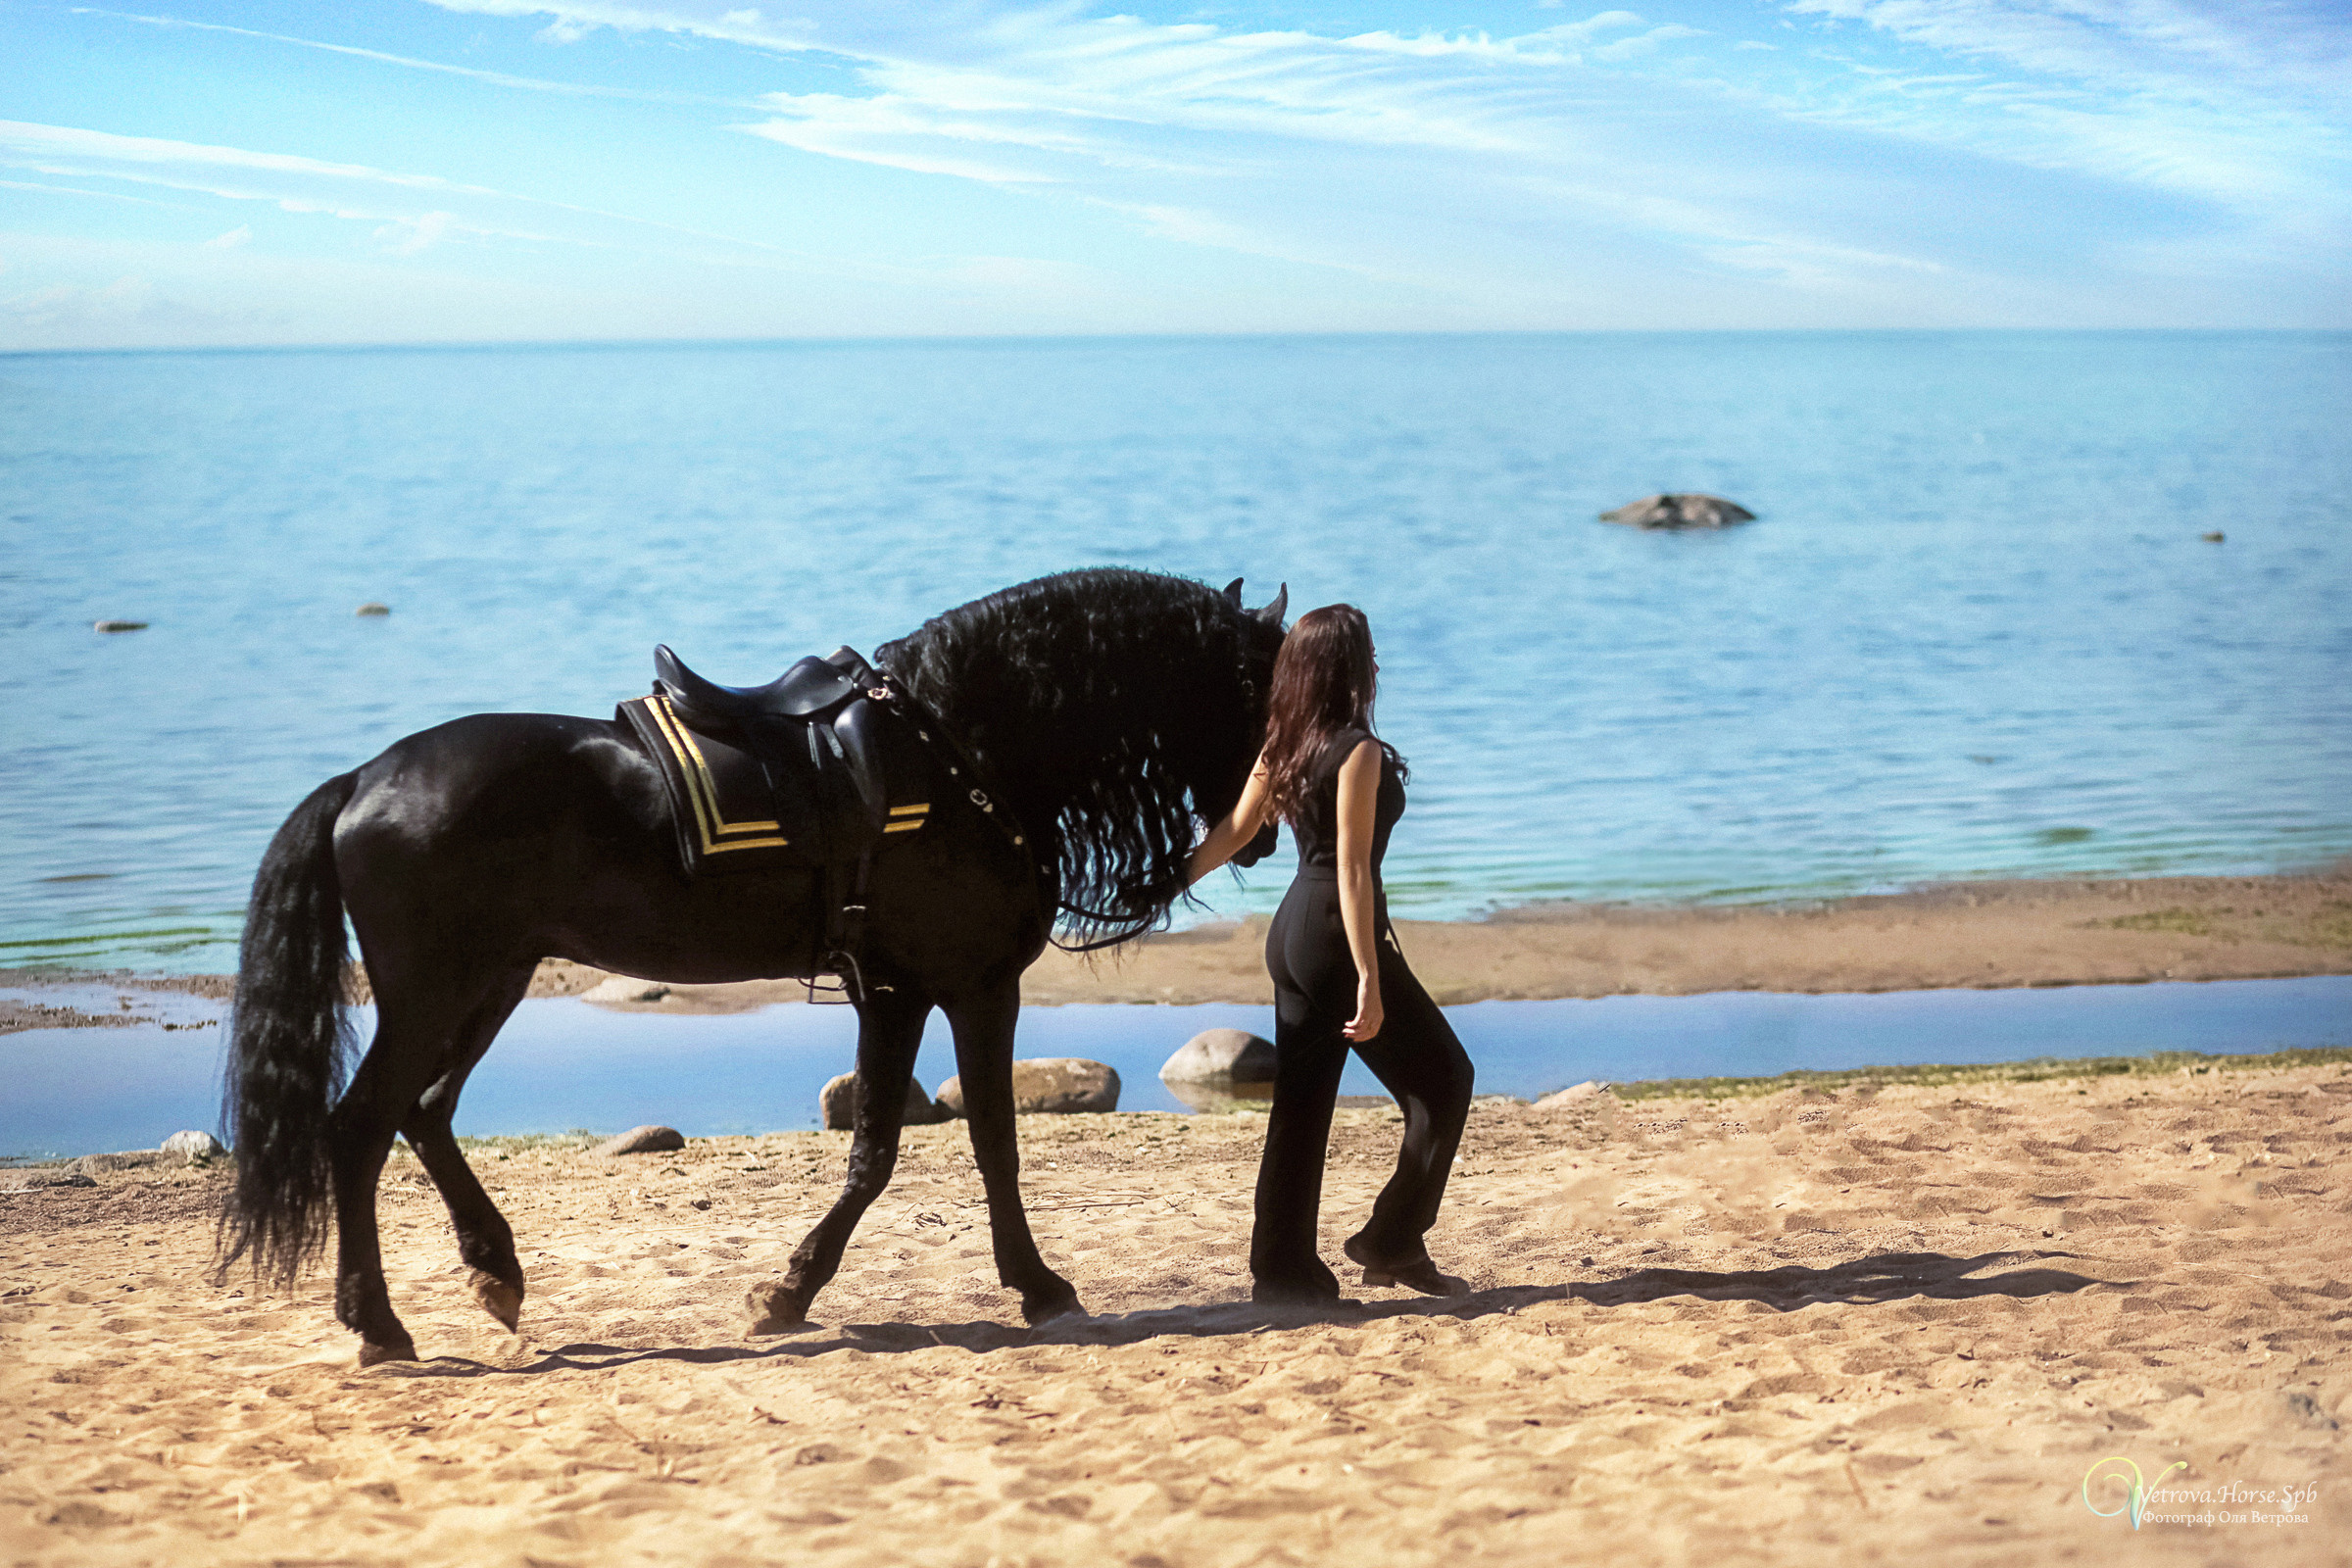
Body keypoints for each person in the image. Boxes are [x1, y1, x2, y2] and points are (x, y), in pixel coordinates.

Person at [1188, 604, 1475, 1303]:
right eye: (1365, 653)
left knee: (1301, 1105)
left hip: (1290, 933)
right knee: (1445, 1080)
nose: (1375, 664)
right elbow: (1351, 870)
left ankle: (1282, 1270)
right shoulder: (1358, 752)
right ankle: (1392, 1239)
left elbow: (1233, 831)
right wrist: (1369, 976)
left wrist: (1167, 879)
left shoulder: (1281, 746)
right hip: (1333, 935)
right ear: (1345, 667)